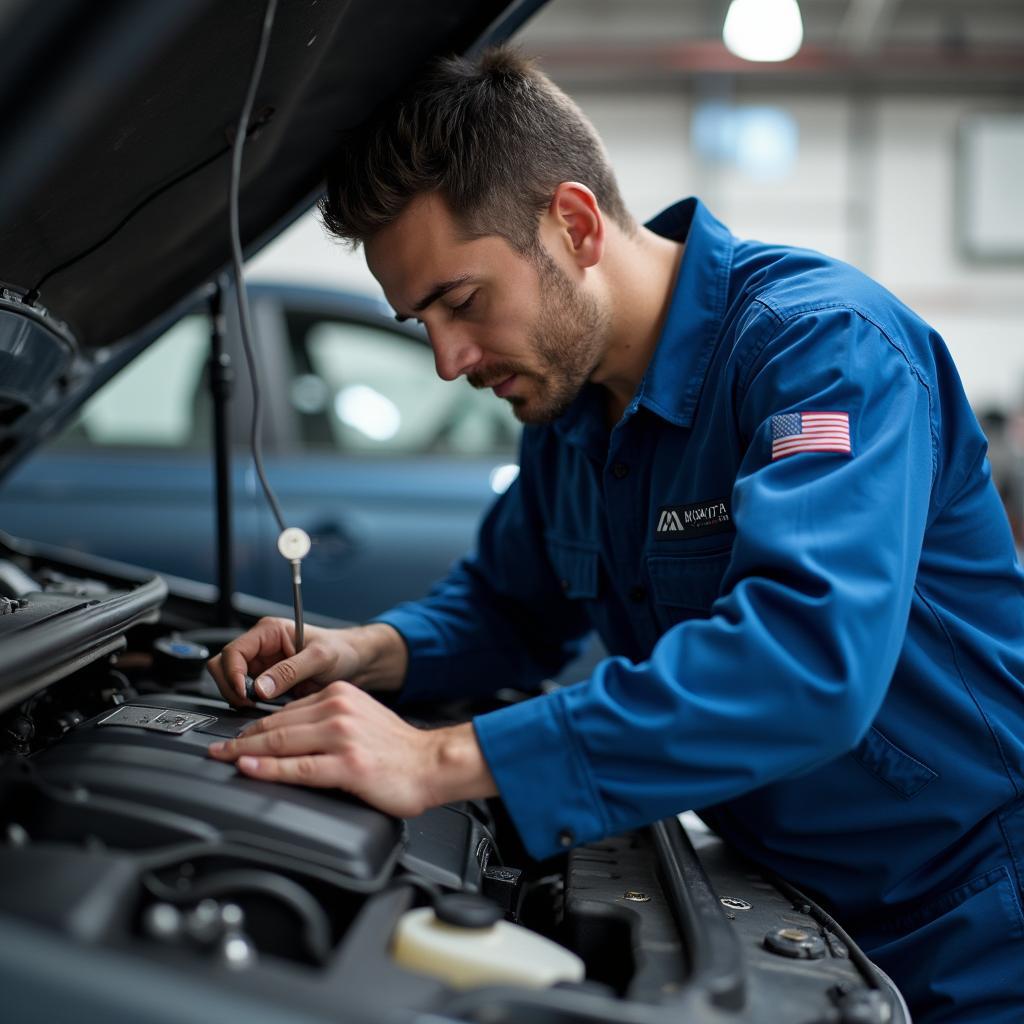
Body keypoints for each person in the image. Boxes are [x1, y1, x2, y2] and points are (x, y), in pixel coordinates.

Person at [206, 48, 1024, 1022]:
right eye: (417, 318)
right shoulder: (574, 410)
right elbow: (509, 606)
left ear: (575, 224)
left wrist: (438, 759)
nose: (445, 359)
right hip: (788, 905)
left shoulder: (822, 351)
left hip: (973, 914)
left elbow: (805, 663)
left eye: (461, 302)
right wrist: (364, 651)